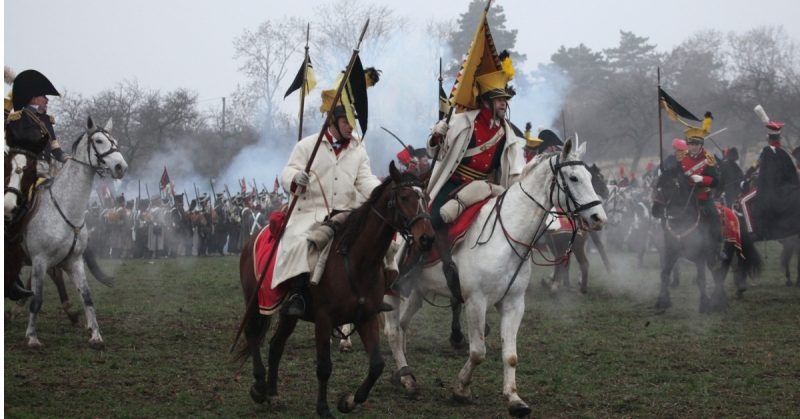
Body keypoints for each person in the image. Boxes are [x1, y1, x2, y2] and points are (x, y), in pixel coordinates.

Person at [423, 63, 526, 302]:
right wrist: (437, 135)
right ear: (487, 101)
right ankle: (420, 263)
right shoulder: (461, 122)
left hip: (485, 188)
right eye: (499, 99)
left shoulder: (506, 132)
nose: (504, 104)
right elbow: (435, 151)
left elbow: (513, 166)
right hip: (454, 183)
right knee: (434, 218)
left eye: (505, 100)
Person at [275, 104, 382, 317]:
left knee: (381, 243)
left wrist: (380, 191)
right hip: (311, 212)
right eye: (345, 122)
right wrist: (295, 178)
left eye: (353, 123)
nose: (351, 127)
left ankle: (380, 291)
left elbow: (364, 179)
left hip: (347, 213)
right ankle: (297, 293)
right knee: (298, 241)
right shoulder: (307, 145)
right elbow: (287, 171)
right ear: (332, 122)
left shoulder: (359, 148)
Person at [4, 69, 68, 300]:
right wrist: (8, 102)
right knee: (12, 206)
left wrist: (68, 160)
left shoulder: (46, 121)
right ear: (33, 98)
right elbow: (6, 128)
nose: (47, 100)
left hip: (43, 170)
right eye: (43, 96)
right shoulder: (17, 116)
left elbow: (55, 148)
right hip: (20, 169)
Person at [680, 112, 723, 264]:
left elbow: (716, 181)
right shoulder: (682, 158)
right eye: (690, 144)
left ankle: (718, 248)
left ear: (700, 145)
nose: (693, 147)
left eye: (696, 144)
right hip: (686, 198)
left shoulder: (708, 159)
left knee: (715, 219)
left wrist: (703, 179)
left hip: (703, 198)